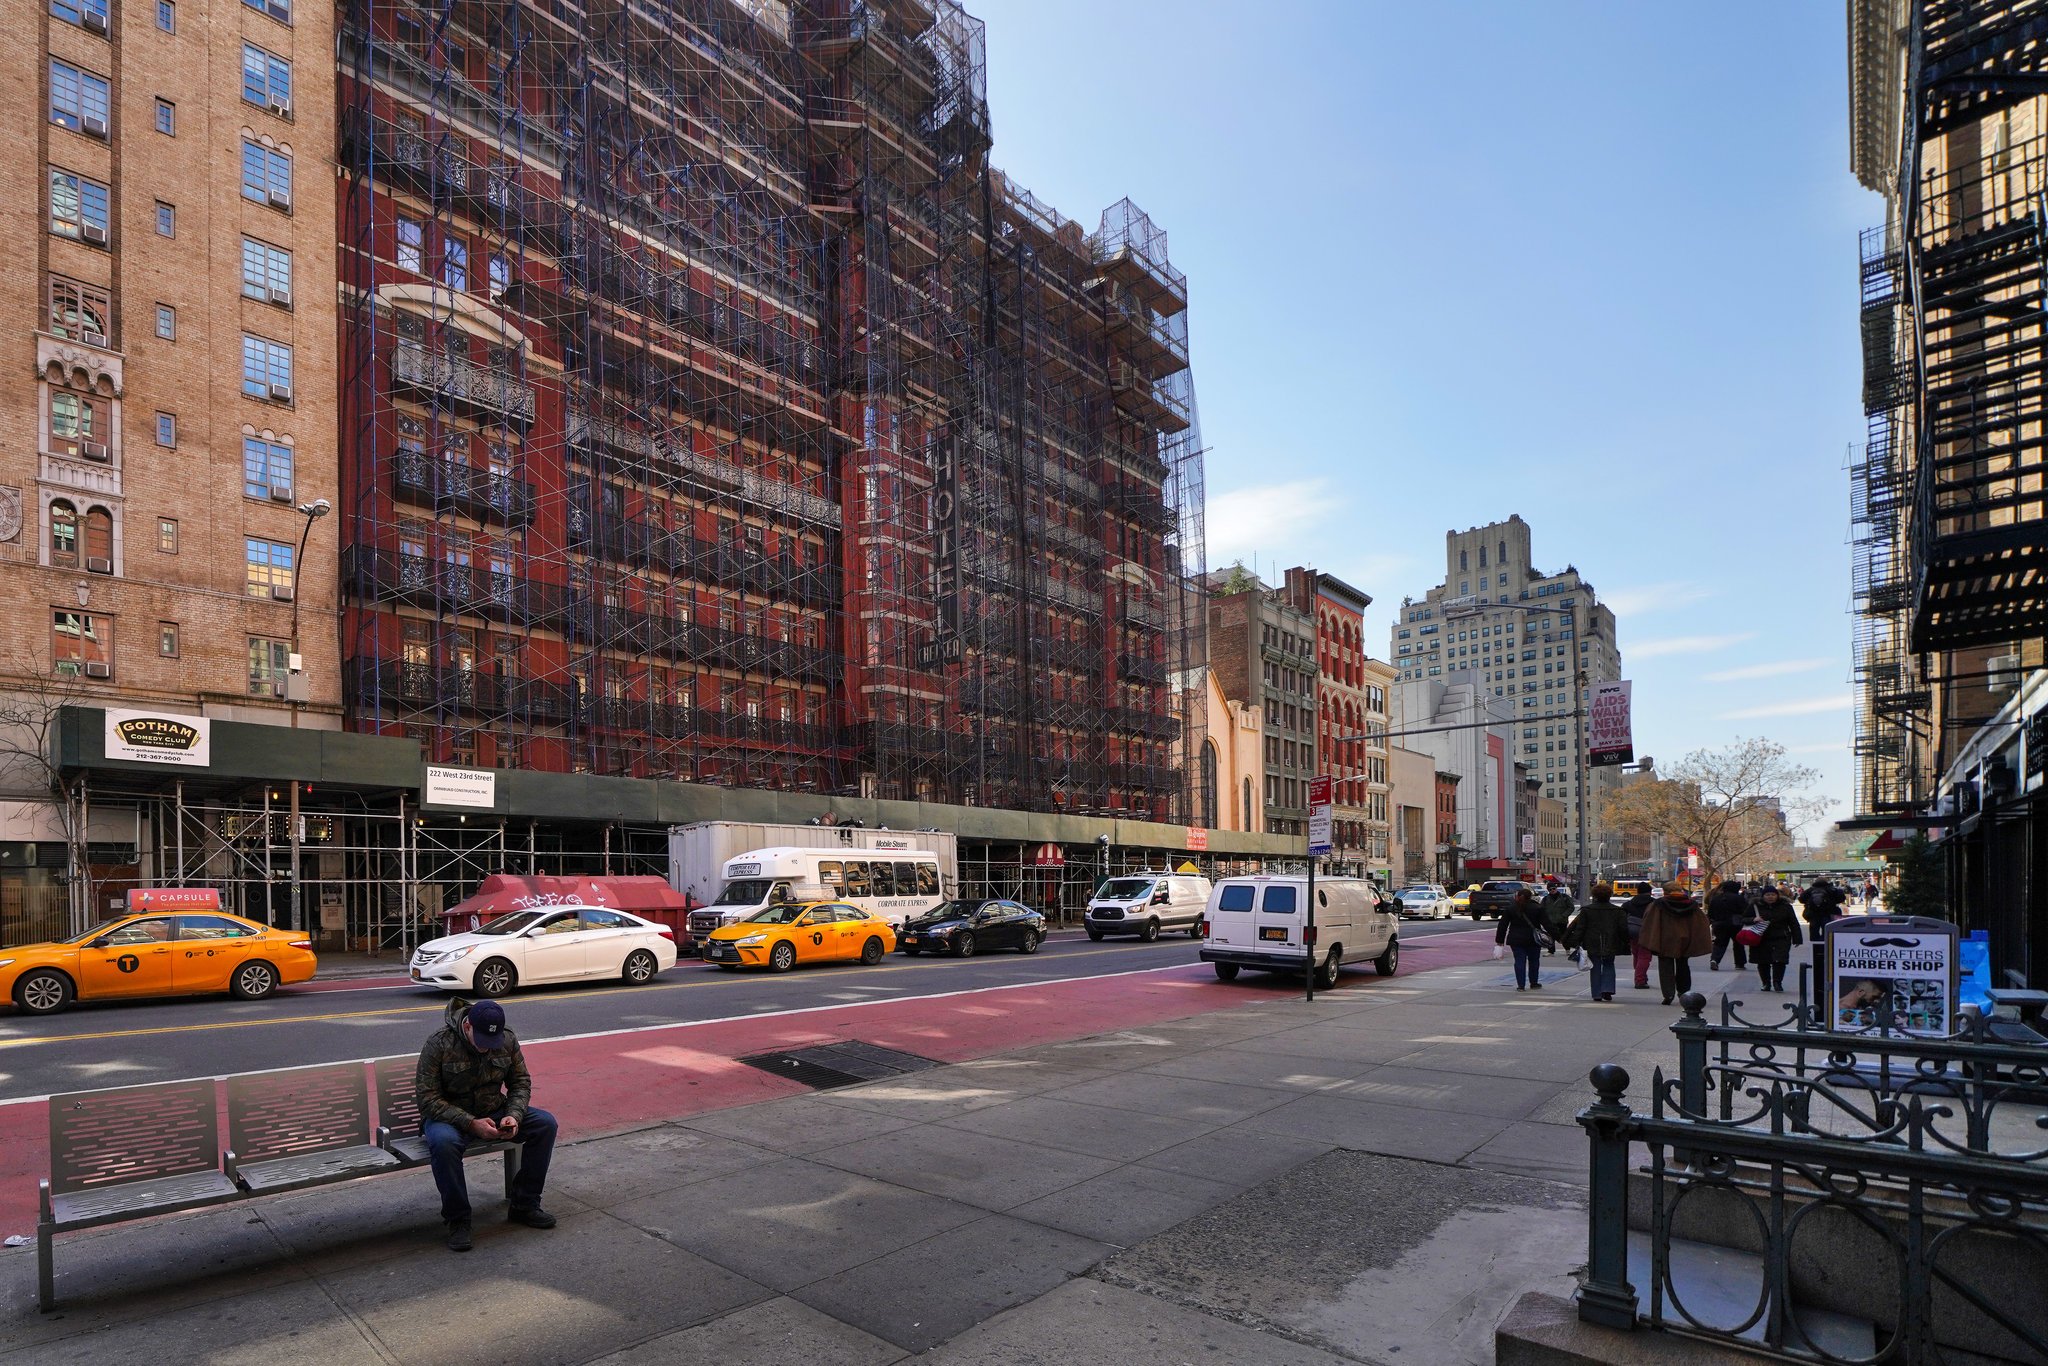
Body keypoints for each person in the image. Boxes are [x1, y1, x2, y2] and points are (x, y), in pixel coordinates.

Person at [418, 999, 560, 1252]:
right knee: (443, 1143)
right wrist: (470, 1123)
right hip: (450, 1117)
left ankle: (524, 1204)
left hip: (495, 1110)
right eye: (482, 1041)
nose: (486, 1048)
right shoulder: (439, 1043)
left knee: (545, 1124)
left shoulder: (506, 1040)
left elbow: (520, 1082)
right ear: (468, 1026)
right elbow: (427, 1099)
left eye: (491, 1043)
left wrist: (514, 1116)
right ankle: (458, 1219)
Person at [1639, 885, 1712, 1005]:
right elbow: (1701, 922)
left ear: (1665, 892)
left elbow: (1650, 921)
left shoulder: (1658, 905)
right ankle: (1684, 992)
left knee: (1665, 967)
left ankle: (1668, 994)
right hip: (1685, 939)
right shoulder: (1692, 905)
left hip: (1664, 939)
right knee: (1683, 965)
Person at [1565, 882, 1628, 1001]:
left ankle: (1596, 993)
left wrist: (1574, 942)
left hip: (1591, 942)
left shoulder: (1587, 910)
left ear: (1595, 896)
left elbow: (1580, 928)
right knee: (1609, 964)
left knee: (1595, 966)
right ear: (1610, 895)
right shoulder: (1618, 911)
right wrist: (1626, 941)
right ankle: (1607, 989)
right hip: (1611, 941)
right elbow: (1623, 929)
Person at [1495, 887, 1549, 991]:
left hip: (1516, 939)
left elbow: (1502, 925)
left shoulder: (1511, 908)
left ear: (1518, 896)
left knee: (1519, 961)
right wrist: (1558, 937)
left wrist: (1499, 941)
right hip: (1534, 939)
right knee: (1534, 961)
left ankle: (1521, 985)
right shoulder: (1537, 908)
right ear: (1531, 897)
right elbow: (1547, 924)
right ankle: (1534, 982)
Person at [1751, 885, 1802, 992]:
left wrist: (1797, 938)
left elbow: (1793, 923)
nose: (1770, 897)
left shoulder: (1785, 906)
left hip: (1781, 937)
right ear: (1763, 896)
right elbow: (1744, 918)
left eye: (1773, 895)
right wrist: (1753, 919)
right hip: (1761, 937)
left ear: (1777, 896)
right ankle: (1766, 983)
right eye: (1767, 895)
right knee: (1763, 961)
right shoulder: (1756, 906)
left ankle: (1777, 982)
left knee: (1780, 960)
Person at [1706, 880, 1751, 972]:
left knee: (1719, 943)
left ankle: (1715, 959)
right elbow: (1746, 910)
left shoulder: (1716, 898)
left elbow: (1710, 913)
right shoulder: (1738, 898)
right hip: (1735, 924)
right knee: (1738, 944)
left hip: (1719, 924)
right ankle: (1739, 963)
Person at [1622, 883, 1656, 990]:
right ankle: (1640, 980)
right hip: (1648, 932)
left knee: (1637, 955)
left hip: (1632, 932)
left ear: (1637, 891)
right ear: (1650, 892)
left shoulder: (1628, 904)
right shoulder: (1654, 904)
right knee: (1645, 956)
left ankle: (1641, 977)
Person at [1540, 881, 1575, 957]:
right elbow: (1541, 909)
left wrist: (1564, 915)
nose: (1552, 890)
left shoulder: (1564, 897)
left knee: (1564, 935)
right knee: (1550, 936)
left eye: (1553, 888)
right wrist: (1545, 918)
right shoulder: (1546, 899)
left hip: (1562, 921)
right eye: (1550, 889)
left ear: (1556, 888)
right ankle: (1551, 951)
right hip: (1551, 921)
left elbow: (1571, 907)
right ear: (1548, 890)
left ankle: (1567, 949)